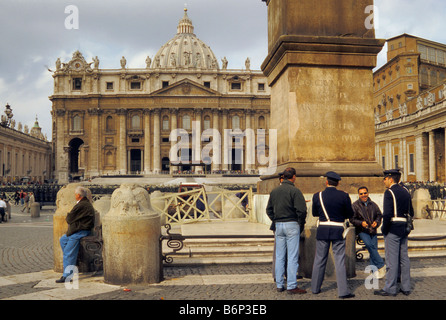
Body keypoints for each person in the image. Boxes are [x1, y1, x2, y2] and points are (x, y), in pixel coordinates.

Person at [311, 171, 355, 299]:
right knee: (340, 261)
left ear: (326, 182)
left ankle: (315, 288)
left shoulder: (317, 196)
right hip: (338, 230)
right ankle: (343, 291)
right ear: (338, 183)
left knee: (319, 259)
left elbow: (315, 213)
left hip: (323, 229)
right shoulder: (344, 196)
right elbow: (349, 214)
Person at [266, 167, 307, 294]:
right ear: (293, 177)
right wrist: (300, 223)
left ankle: (279, 284)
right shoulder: (295, 191)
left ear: (283, 177)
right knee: (292, 256)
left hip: (278, 225)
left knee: (279, 256)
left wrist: (276, 219)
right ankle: (291, 285)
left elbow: (269, 210)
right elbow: (302, 210)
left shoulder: (274, 191)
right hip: (291, 224)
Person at [374, 169, 414, 296]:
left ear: (391, 179)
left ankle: (390, 288)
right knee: (404, 258)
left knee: (391, 260)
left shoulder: (389, 192)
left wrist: (384, 229)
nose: (384, 181)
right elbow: (411, 212)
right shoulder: (406, 191)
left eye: (385, 179)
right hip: (404, 228)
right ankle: (406, 287)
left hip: (393, 227)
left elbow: (387, 214)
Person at [56, 186, 95, 283]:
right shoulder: (84, 203)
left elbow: (69, 218)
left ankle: (67, 276)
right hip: (78, 229)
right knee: (63, 240)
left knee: (69, 252)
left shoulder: (81, 205)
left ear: (78, 195)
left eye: (75, 194)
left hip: (80, 231)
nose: (74, 195)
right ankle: (72, 260)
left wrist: (70, 216)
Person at [350, 186, 386, 279]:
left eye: (365, 193)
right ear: (358, 195)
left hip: (372, 230)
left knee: (373, 249)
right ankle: (381, 265)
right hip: (362, 231)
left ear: (368, 193)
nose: (363, 195)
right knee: (370, 246)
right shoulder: (355, 205)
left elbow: (379, 215)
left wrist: (377, 223)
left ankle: (374, 272)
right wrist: (361, 223)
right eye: (361, 193)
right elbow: (352, 219)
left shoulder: (373, 204)